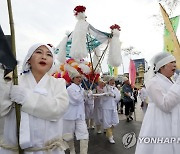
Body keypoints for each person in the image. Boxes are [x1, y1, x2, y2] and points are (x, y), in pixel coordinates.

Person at [0, 43, 69, 154]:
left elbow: (58, 109)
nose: (44, 57)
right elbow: (1, 109)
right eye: (38, 52)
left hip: (49, 150)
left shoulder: (58, 83)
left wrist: (26, 98)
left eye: (49, 54)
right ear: (28, 59)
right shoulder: (15, 81)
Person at [135, 52, 180, 154]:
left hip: (175, 121)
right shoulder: (153, 82)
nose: (175, 65)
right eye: (171, 62)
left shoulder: (172, 81)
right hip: (160, 123)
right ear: (162, 66)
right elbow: (165, 105)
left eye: (175, 62)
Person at [63, 69, 89, 154]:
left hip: (80, 115)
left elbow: (83, 100)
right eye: (77, 77)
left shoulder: (81, 88)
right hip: (70, 116)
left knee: (84, 134)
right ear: (73, 79)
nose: (79, 79)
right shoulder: (70, 89)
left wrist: (88, 95)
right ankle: (72, 150)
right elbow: (77, 100)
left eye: (80, 77)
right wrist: (85, 94)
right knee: (69, 135)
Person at [101, 75, 121, 144]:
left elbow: (118, 98)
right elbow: (103, 99)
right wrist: (107, 94)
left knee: (116, 121)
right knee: (107, 122)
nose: (113, 81)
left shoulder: (115, 89)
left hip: (113, 107)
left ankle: (108, 133)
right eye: (111, 80)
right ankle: (110, 136)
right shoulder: (105, 88)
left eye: (113, 80)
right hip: (106, 107)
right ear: (108, 81)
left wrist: (114, 95)